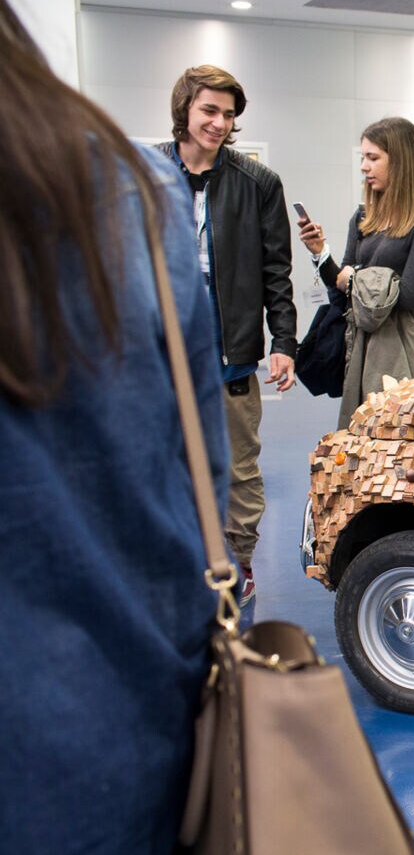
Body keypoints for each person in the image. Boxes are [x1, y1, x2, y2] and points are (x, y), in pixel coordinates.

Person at [0, 0, 229, 855]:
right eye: (210, 109)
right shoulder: (135, 194)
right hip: (124, 761)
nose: (220, 124)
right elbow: (194, 477)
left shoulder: (166, 197)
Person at [155, 65, 296, 611]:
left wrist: (284, 341)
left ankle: (238, 565)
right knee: (166, 464)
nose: (219, 123)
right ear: (185, 108)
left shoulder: (258, 183)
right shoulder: (148, 173)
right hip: (160, 354)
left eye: (228, 114)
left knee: (239, 470)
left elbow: (276, 271)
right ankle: (179, 561)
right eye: (209, 110)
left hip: (231, 354)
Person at [297, 116, 414, 429]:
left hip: (401, 345)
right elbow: (339, 289)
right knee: (360, 434)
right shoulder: (365, 215)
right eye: (362, 158)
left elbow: (407, 296)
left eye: (373, 158)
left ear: (402, 161)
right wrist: (320, 254)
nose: (364, 166)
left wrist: (353, 278)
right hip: (361, 341)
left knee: (400, 431)